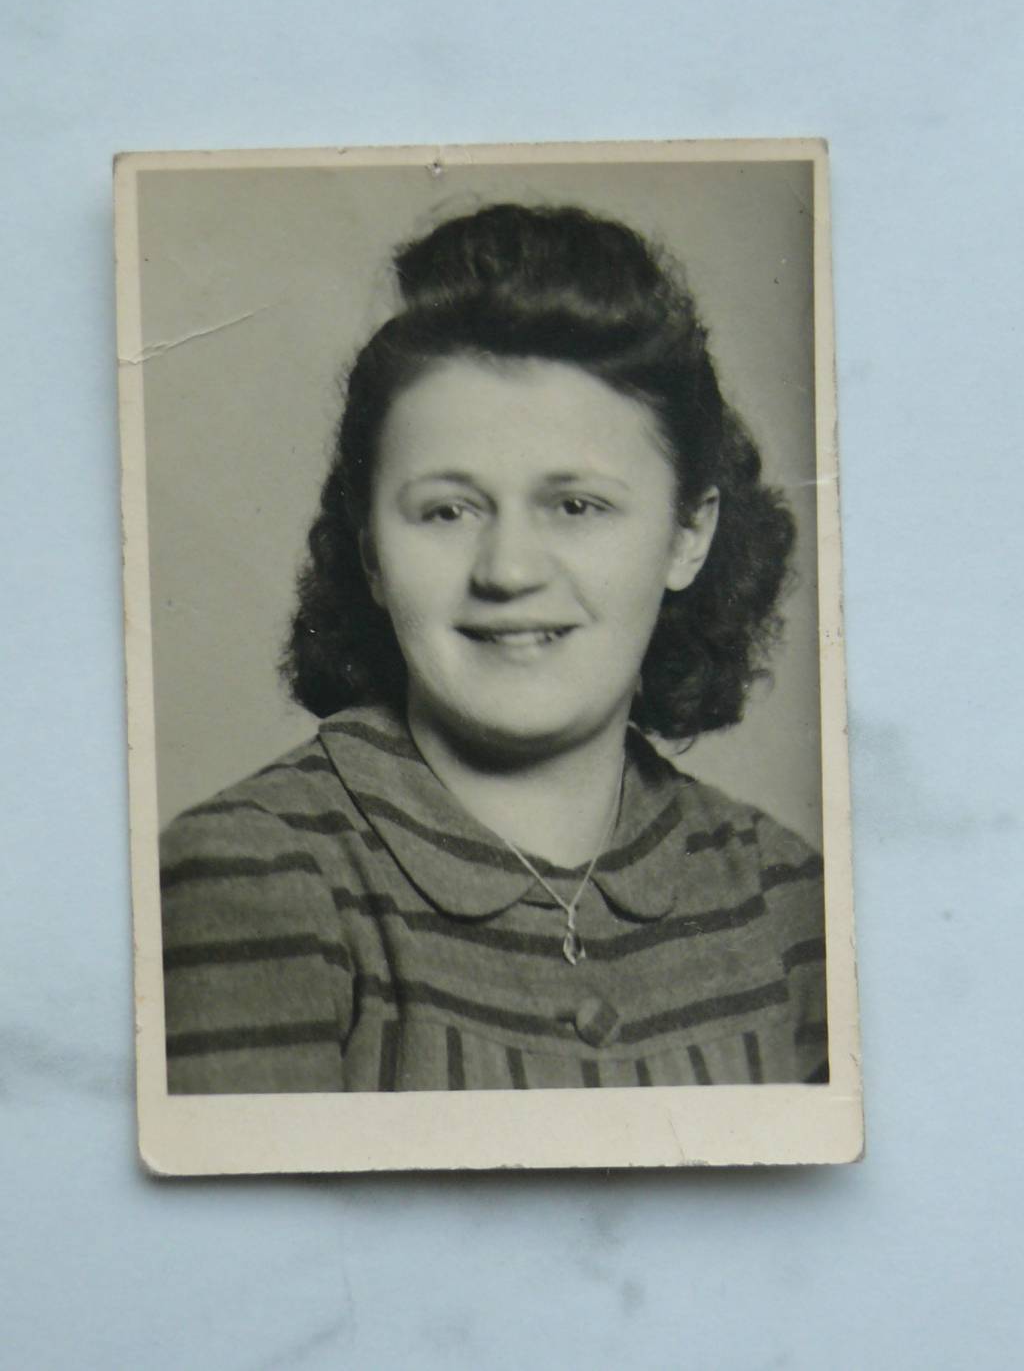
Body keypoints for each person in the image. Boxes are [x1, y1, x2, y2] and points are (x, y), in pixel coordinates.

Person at [159, 202, 827, 1094]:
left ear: (687, 536)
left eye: (577, 506)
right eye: (447, 511)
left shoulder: (785, 897)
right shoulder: (251, 880)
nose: (508, 570)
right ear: (371, 550)